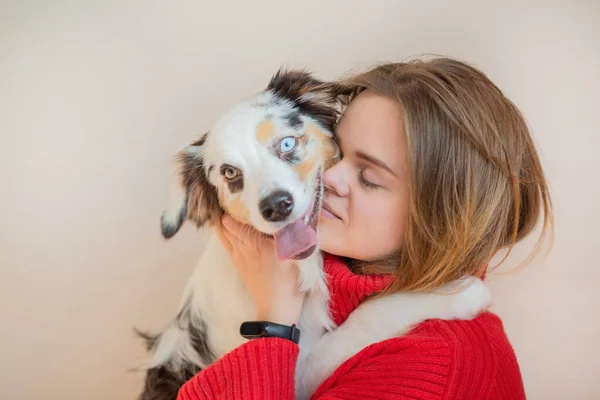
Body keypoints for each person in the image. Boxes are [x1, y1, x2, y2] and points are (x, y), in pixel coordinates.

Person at [176, 57, 553, 399]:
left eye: (369, 177)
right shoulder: (307, 269)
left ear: (441, 217)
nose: (330, 177)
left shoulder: (430, 370)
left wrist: (273, 324)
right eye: (338, 151)